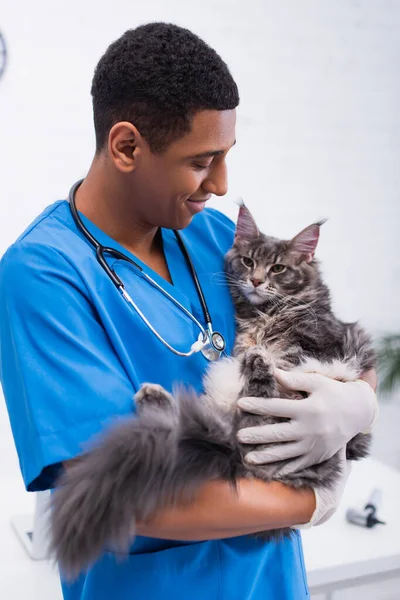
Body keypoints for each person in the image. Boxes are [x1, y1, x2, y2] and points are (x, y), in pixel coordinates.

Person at [0, 22, 377, 600]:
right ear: (127, 146)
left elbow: (337, 346)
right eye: (203, 161)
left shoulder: (213, 236)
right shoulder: (44, 274)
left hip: (275, 584)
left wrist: (358, 402)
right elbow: (117, 492)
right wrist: (311, 500)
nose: (222, 185)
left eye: (226, 157)